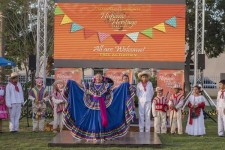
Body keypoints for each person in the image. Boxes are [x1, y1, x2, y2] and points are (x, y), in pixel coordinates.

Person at [63, 73, 135, 141]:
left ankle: (103, 135)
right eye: (97, 76)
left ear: (102, 78)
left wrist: (123, 86)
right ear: (94, 78)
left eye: (100, 76)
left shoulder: (106, 85)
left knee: (102, 119)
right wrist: (73, 83)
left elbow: (113, 89)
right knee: (92, 119)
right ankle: (93, 135)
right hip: (92, 104)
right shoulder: (90, 84)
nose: (98, 78)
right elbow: (81, 86)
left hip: (103, 104)